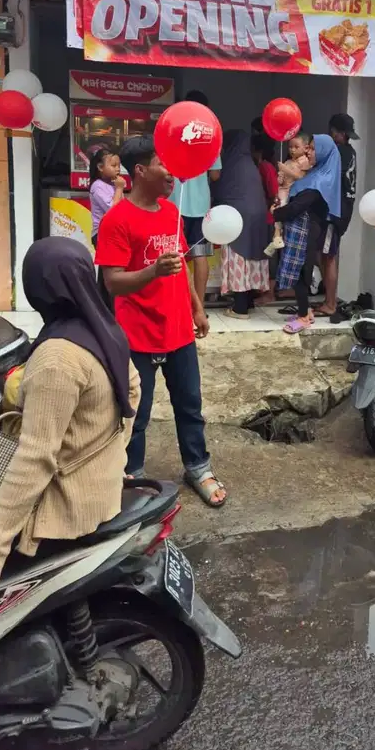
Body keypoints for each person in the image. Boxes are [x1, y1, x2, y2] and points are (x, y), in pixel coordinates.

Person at [0, 237, 141, 594]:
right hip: (101, 491)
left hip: (63, 510)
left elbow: (36, 457)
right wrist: (109, 458)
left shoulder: (56, 357)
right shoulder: (104, 328)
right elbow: (132, 394)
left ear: (37, 289)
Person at [96, 136, 227, 508]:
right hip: (136, 335)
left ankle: (198, 467)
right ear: (140, 171)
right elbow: (112, 281)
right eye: (164, 165)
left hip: (178, 331)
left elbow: (182, 264)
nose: (174, 174)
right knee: (135, 415)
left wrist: (197, 307)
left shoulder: (171, 212)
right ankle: (132, 475)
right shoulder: (117, 219)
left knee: (190, 406)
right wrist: (153, 270)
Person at [273, 134, 341, 334]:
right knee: (298, 272)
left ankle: (303, 318)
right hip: (300, 230)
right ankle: (306, 311)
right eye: (308, 147)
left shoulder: (321, 181)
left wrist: (276, 213)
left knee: (302, 272)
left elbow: (298, 207)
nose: (308, 152)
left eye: (312, 148)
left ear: (323, 153)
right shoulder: (313, 174)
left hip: (307, 232)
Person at [168, 90, 222, 307]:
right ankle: (197, 306)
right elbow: (216, 174)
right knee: (200, 256)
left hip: (174, 204)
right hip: (200, 206)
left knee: (172, 255)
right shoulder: (211, 135)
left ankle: (173, 304)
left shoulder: (175, 130)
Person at [212, 130, 271, 319]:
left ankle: (240, 308)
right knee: (252, 258)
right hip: (258, 219)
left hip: (238, 219)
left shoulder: (231, 164)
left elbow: (220, 190)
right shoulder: (250, 164)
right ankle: (249, 300)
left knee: (238, 258)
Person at [316, 114, 359, 317]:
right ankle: (329, 299)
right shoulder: (350, 151)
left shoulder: (337, 153)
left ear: (335, 132)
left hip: (334, 212)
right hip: (344, 210)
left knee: (328, 257)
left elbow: (326, 181)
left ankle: (331, 303)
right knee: (325, 255)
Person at [89, 148, 126, 311]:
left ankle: (106, 309)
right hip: (102, 234)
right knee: (109, 273)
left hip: (114, 234)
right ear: (100, 167)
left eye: (119, 165)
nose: (117, 169)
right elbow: (112, 211)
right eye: (113, 165)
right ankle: (105, 308)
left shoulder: (112, 184)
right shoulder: (97, 186)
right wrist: (119, 189)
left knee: (109, 274)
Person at [266, 132, 312, 255]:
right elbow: (281, 180)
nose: (292, 150)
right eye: (290, 147)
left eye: (296, 147)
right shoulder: (287, 162)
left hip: (291, 191)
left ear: (305, 148)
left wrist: (285, 170)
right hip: (282, 190)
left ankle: (278, 236)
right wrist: (280, 178)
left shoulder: (304, 161)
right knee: (275, 208)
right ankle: (276, 236)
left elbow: (300, 177)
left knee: (281, 210)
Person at [250, 133, 279, 305]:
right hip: (263, 216)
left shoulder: (265, 167)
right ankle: (262, 289)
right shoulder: (264, 166)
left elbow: (273, 192)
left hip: (268, 217)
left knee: (270, 255)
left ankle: (270, 293)